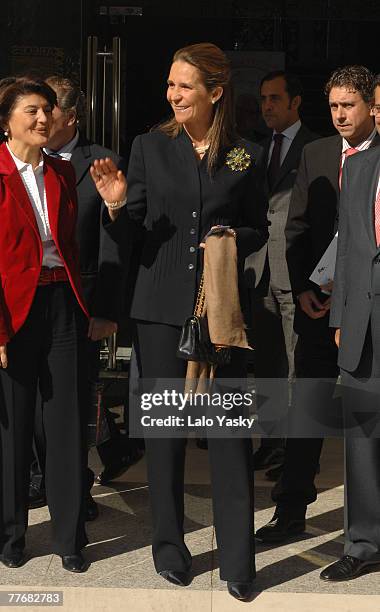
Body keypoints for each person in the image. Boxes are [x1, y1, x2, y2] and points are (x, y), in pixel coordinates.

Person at [90, 42, 269, 602]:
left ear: (215, 92)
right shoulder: (148, 146)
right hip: (160, 313)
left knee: (226, 438)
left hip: (221, 314)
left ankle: (239, 561)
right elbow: (130, 231)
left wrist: (230, 239)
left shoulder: (244, 154)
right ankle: (170, 549)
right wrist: (118, 206)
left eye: (185, 85)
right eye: (171, 84)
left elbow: (258, 226)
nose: (174, 94)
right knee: (165, 437)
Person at [256, 65, 379, 544]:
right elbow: (298, 227)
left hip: (367, 311)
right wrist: (306, 288)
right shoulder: (318, 152)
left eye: (349, 105)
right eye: (334, 106)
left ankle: (364, 528)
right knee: (306, 407)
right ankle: (290, 511)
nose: (341, 115)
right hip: (319, 305)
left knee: (363, 417)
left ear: (371, 105)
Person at [28, 76, 139, 515]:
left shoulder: (102, 163)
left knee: (71, 404)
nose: (38, 117)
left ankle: (74, 486)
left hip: (80, 305)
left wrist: (108, 312)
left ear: (69, 117)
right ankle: (41, 477)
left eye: (46, 110)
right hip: (27, 303)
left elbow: (114, 244)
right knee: (32, 404)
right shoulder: (20, 159)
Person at [0, 77, 89, 572]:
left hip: (61, 305)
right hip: (13, 310)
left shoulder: (62, 171)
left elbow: (71, 246)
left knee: (65, 424)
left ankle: (70, 538)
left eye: (47, 111)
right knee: (12, 429)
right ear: (7, 119)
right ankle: (12, 538)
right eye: (32, 110)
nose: (42, 119)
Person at [321, 73, 380, 582]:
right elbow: (350, 249)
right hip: (362, 321)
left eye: (354, 105)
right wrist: (340, 317)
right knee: (362, 436)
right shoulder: (356, 165)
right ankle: (362, 544)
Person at [245, 71, 318, 477]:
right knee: (269, 363)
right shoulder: (254, 148)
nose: (267, 106)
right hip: (259, 271)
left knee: (296, 363)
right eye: (263, 99)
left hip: (295, 271)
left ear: (295, 102)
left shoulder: (315, 147)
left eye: (275, 99)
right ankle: (272, 442)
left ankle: (295, 450)